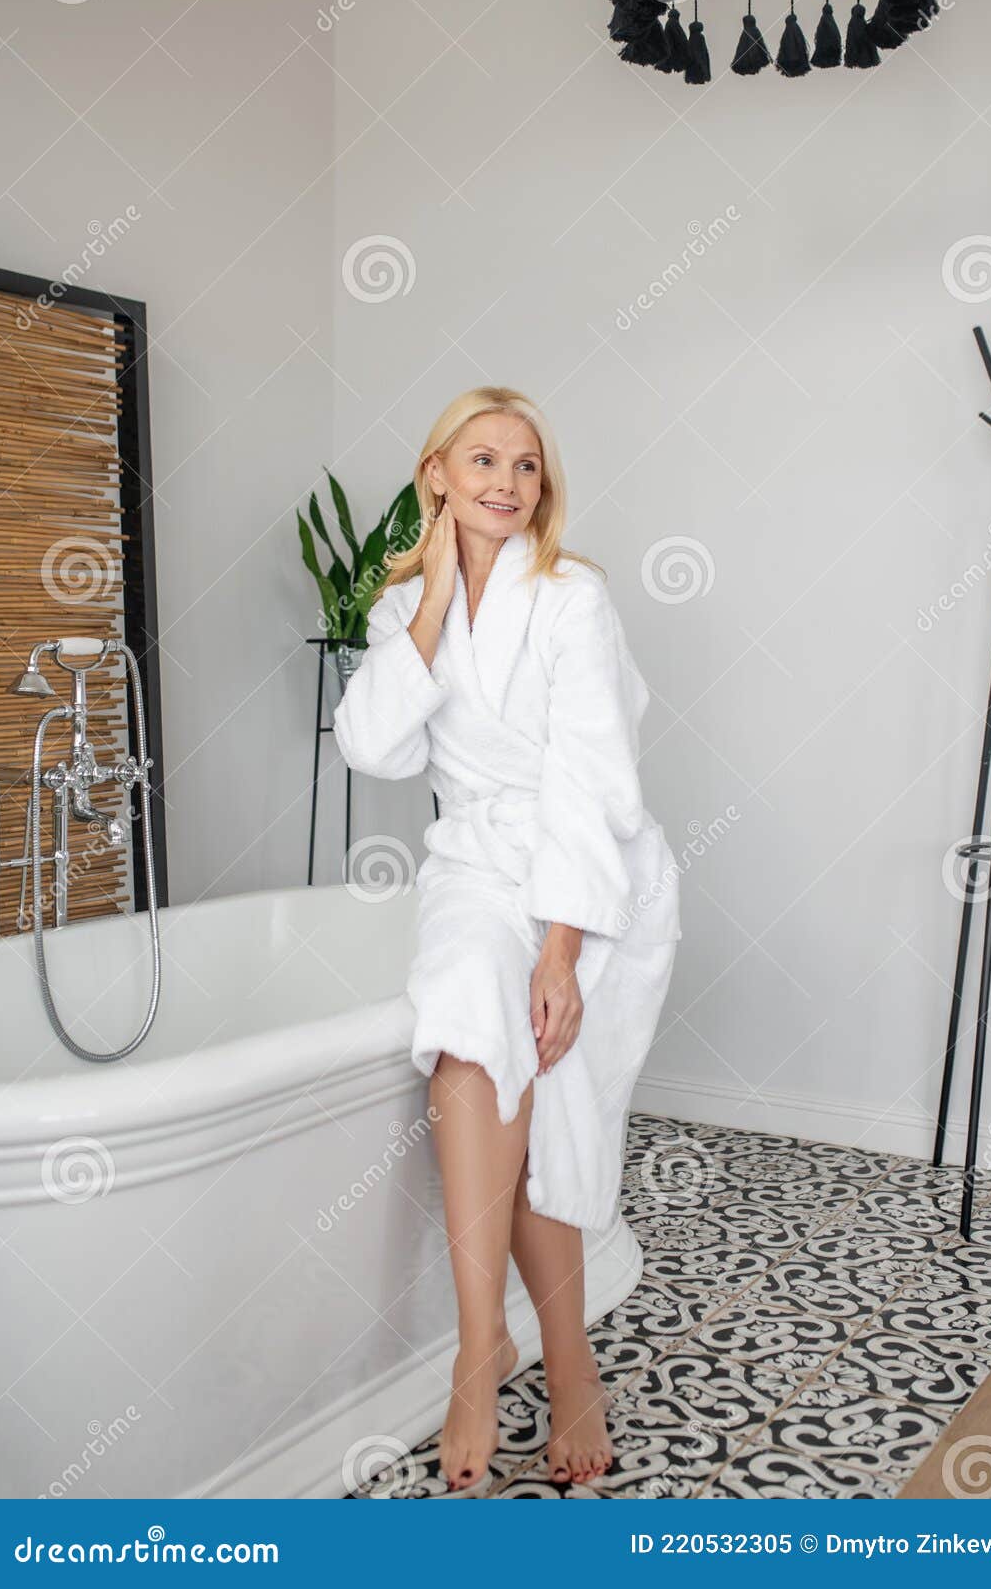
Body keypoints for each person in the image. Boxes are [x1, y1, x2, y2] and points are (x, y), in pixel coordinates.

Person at [333, 387, 680, 1493]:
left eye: (524, 465)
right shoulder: (402, 611)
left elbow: (589, 778)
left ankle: (565, 1358)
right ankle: (482, 1348)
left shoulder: (572, 596)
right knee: (469, 1025)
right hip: (476, 864)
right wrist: (430, 600)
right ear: (434, 472)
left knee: (552, 1084)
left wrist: (560, 949)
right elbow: (373, 747)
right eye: (479, 459)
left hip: (583, 872)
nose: (505, 482)